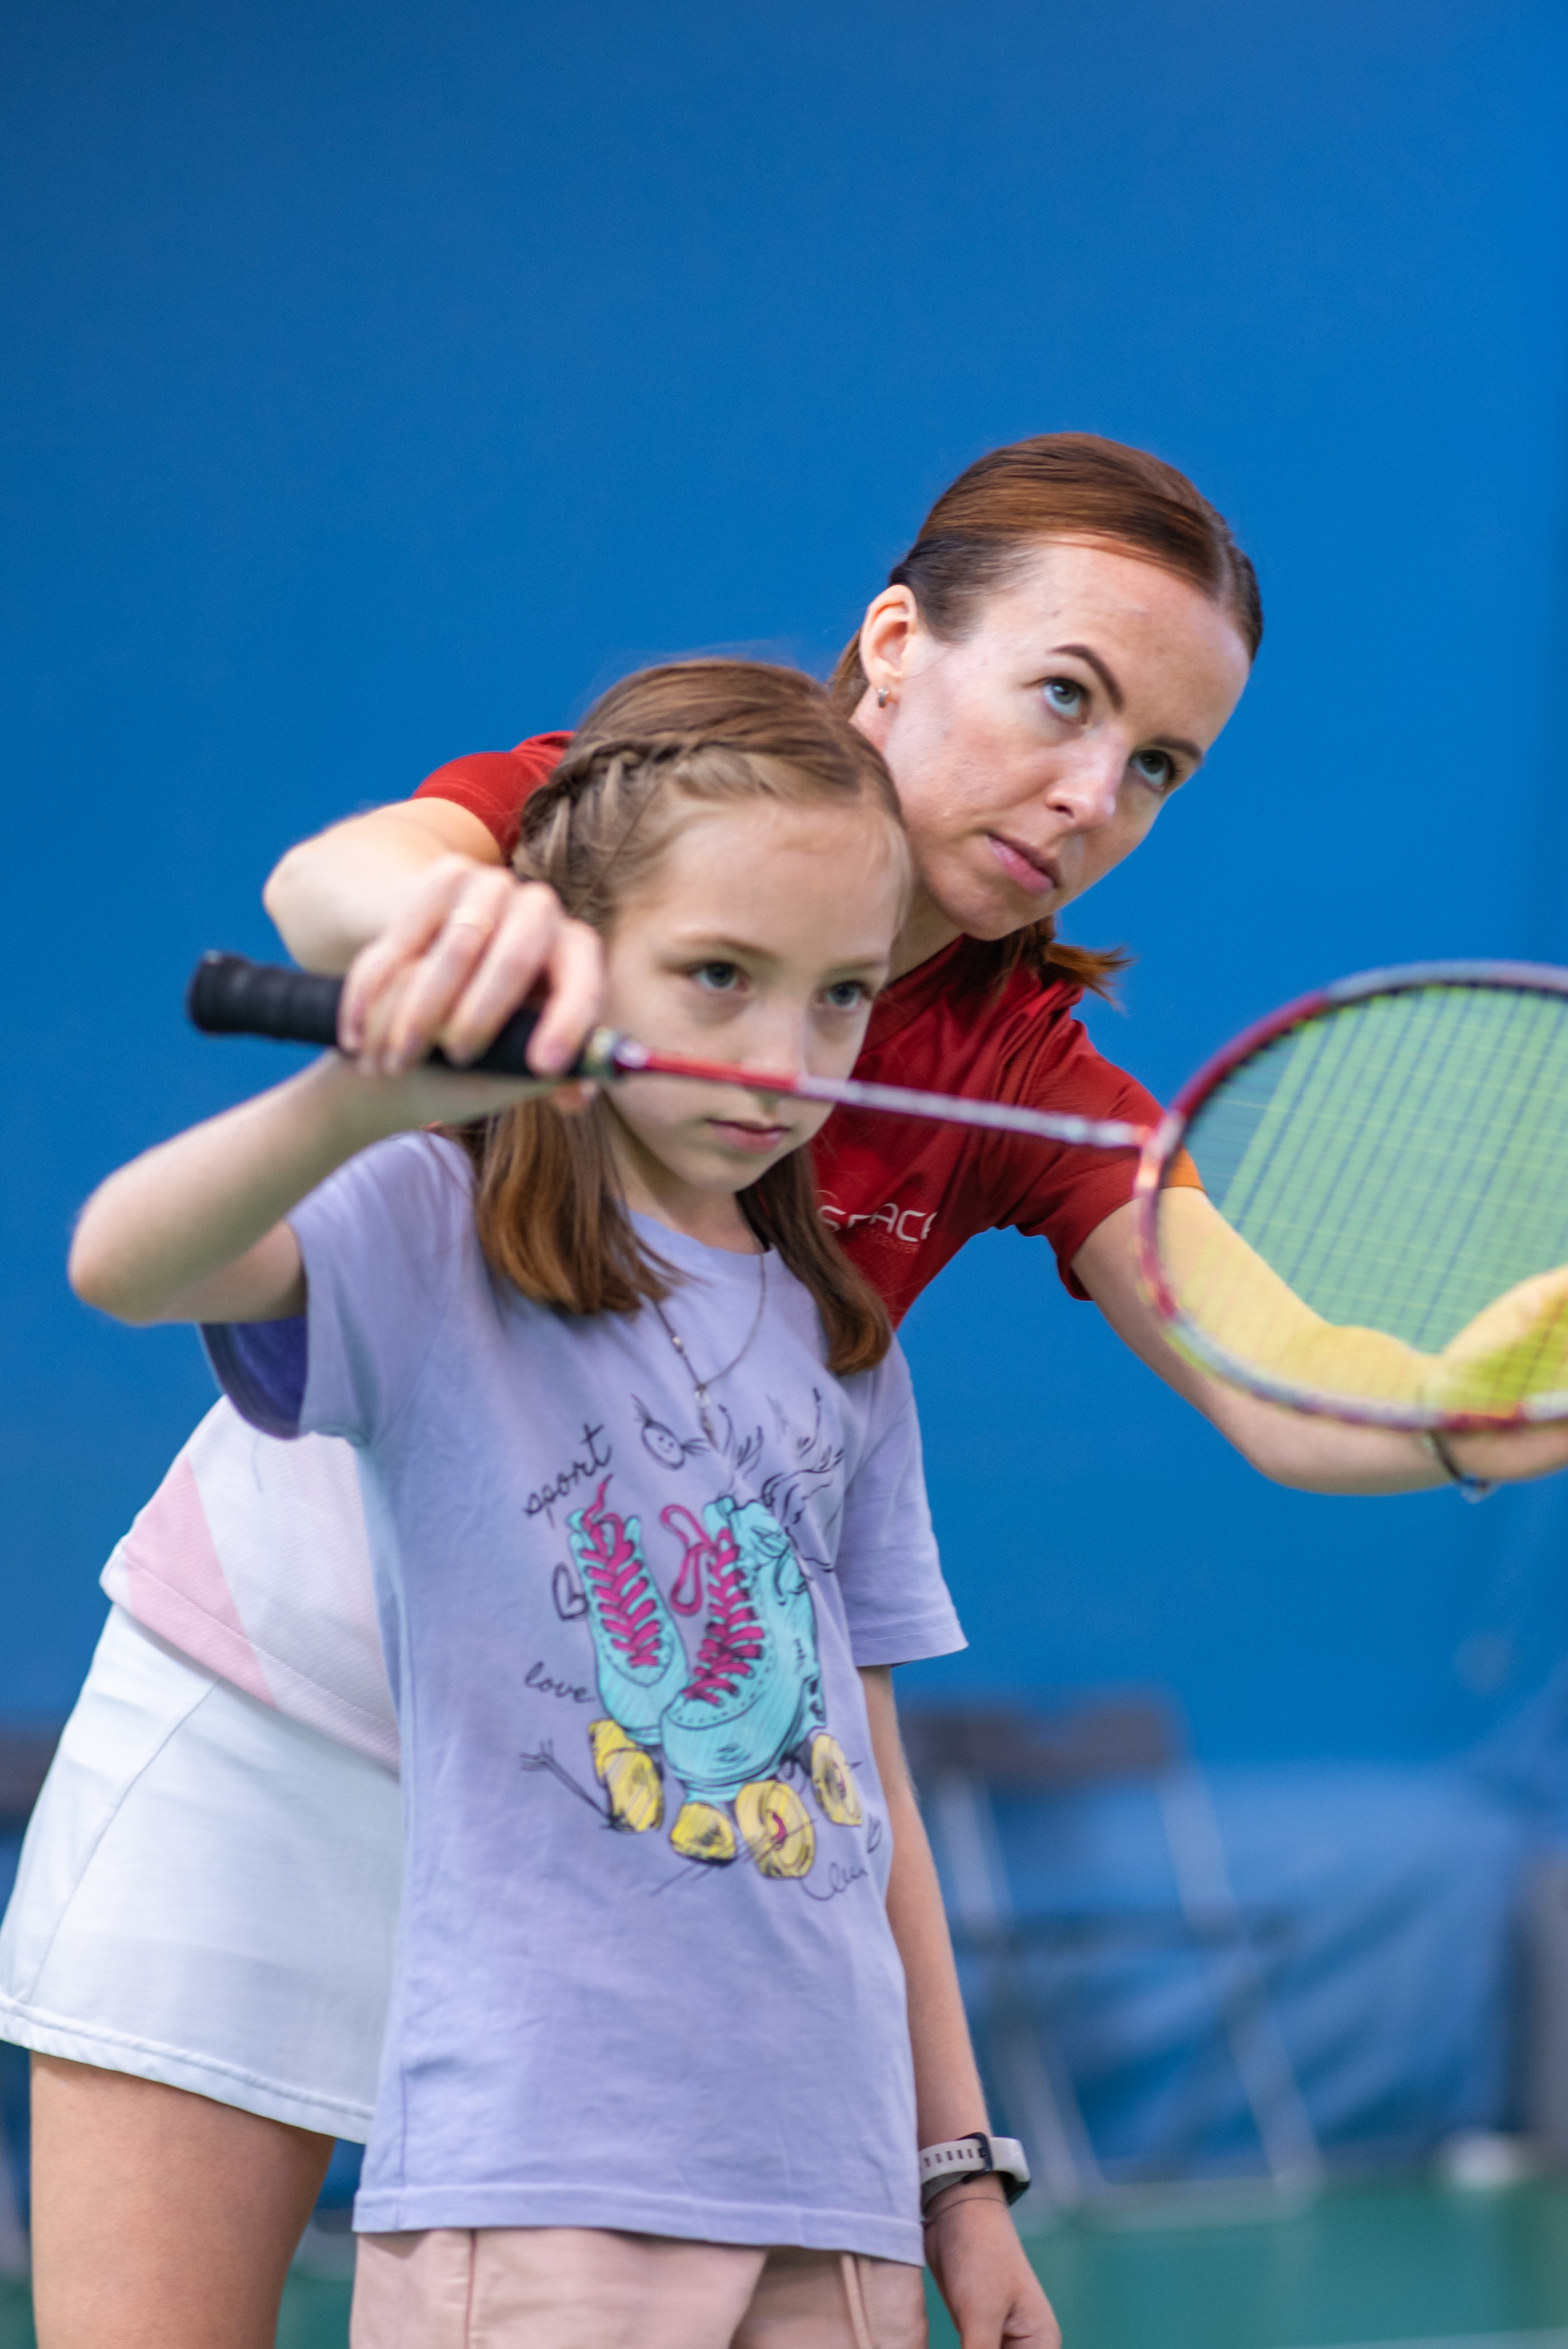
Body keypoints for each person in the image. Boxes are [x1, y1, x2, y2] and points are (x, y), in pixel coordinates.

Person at [10, 434, 1566, 2349]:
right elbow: (331, 883)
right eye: (1065, 698)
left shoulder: (1019, 1074)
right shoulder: (642, 817)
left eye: (1160, 764)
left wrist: (1491, 1394)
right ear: (898, 643)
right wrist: (455, 935)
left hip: (626, 1848)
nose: (1094, 795)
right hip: (279, 1720)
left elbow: (1295, 1387)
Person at [66, 662, 1054, 2349]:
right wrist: (361, 1098)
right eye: (720, 976)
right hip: (545, 2186)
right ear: (571, 958)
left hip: (830, 2198)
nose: (783, 1059)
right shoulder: (432, 1234)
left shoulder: (847, 1351)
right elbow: (124, 1263)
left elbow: (872, 1794)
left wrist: (951, 2179)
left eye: (837, 997)